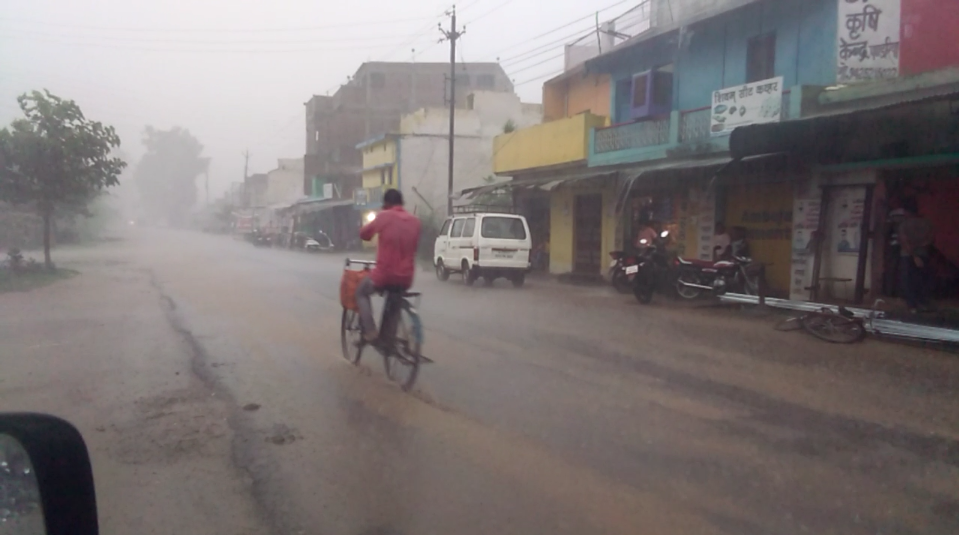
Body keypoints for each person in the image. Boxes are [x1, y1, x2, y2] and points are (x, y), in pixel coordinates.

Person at [355, 189, 422, 342]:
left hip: (384, 276)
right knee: (394, 299)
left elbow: (364, 234)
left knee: (360, 292)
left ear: (386, 203)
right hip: (406, 278)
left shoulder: (384, 216)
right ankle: (388, 339)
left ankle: (371, 331)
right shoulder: (415, 221)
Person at [898, 201, 934, 313]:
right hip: (923, 254)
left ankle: (912, 306)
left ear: (907, 212)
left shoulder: (904, 224)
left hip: (908, 256)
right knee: (921, 280)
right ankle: (922, 303)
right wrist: (919, 249)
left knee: (908, 281)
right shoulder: (926, 223)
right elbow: (930, 240)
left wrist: (914, 256)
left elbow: (904, 242)